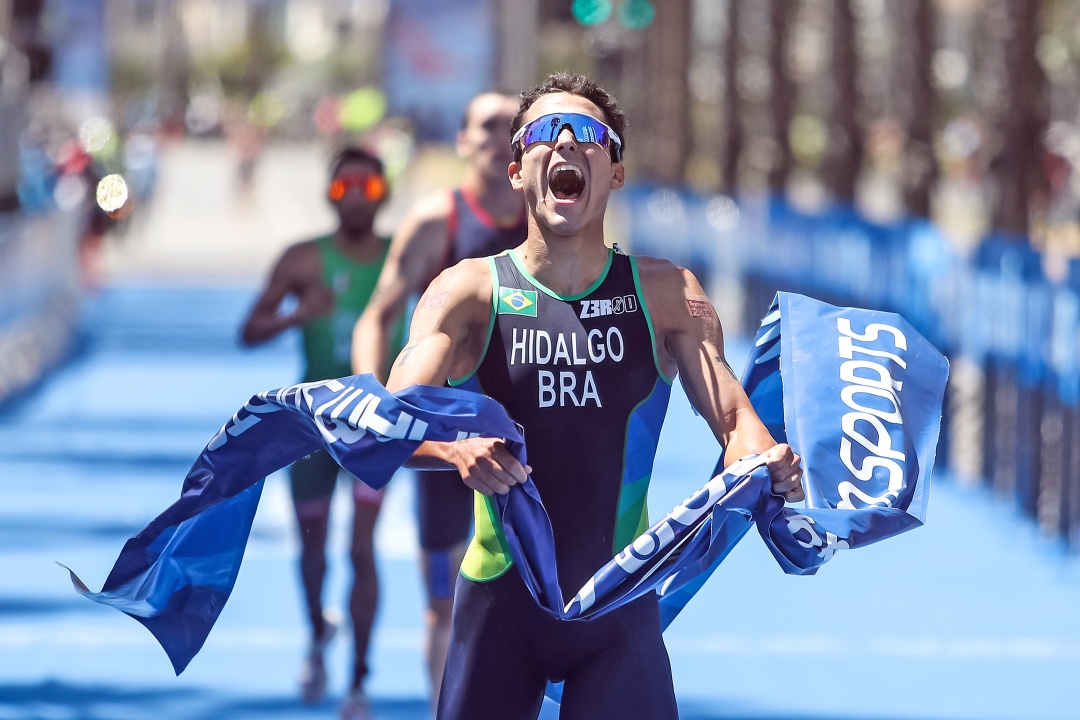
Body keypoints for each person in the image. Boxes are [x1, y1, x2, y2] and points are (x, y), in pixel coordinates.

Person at [382, 71, 805, 720]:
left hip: (617, 612)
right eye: (547, 132)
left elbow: (734, 419)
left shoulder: (668, 295)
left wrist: (766, 459)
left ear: (615, 173)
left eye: (590, 136)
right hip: (499, 608)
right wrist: (453, 450)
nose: (568, 145)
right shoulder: (466, 293)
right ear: (517, 169)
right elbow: (391, 423)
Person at [350, 91, 526, 707]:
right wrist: (371, 401)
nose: (502, 135)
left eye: (514, 125)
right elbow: (376, 316)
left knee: (541, 596)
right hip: (443, 437)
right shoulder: (437, 221)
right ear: (462, 141)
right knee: (441, 600)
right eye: (488, 125)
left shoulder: (553, 224)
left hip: (527, 437)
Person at [240, 145, 399, 720]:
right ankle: (316, 634)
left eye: (369, 187)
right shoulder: (303, 259)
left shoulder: (408, 258)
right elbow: (250, 329)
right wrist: (294, 316)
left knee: (362, 547)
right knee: (312, 545)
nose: (356, 198)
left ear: (386, 194)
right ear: (328, 195)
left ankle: (358, 681)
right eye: (343, 188)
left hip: (375, 428)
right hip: (309, 423)